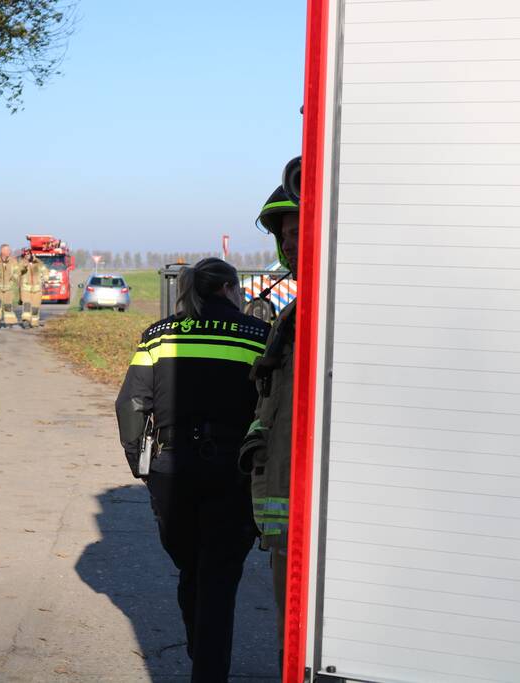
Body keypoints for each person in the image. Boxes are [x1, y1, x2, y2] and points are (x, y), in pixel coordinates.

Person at [115, 257, 270, 682]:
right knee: (219, 577)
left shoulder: (159, 335)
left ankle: (200, 650)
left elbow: (130, 403)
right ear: (227, 289)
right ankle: (208, 666)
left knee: (191, 568)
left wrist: (140, 464)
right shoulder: (259, 335)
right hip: (232, 470)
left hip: (171, 469)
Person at [239, 180, 300, 664]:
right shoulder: (296, 313)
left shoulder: (331, 312)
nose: (291, 244)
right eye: (284, 235)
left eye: (299, 230)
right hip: (288, 520)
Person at [0, 244, 19, 327]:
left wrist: (13, 279)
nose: (10, 251)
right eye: (8, 250)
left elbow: (17, 271)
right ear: (2, 251)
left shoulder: (13, 261)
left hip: (9, 288)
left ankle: (9, 321)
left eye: (9, 250)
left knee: (8, 305)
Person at [18, 250, 48, 328]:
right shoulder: (22, 263)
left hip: (37, 290)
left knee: (35, 307)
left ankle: (34, 322)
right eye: (25, 255)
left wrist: (45, 279)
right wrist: (24, 265)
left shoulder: (38, 263)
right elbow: (18, 271)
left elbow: (45, 271)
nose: (27, 256)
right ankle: (26, 321)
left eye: (28, 254)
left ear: (31, 254)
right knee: (27, 305)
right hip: (25, 289)